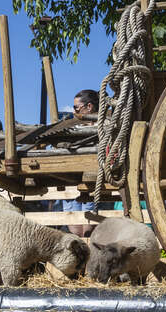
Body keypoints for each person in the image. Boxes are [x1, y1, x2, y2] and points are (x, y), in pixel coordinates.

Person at [62, 89, 99, 237]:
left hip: (93, 179)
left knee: (88, 230)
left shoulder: (103, 126)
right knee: (74, 228)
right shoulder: (75, 129)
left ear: (89, 107)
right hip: (73, 181)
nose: (74, 111)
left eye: (76, 108)